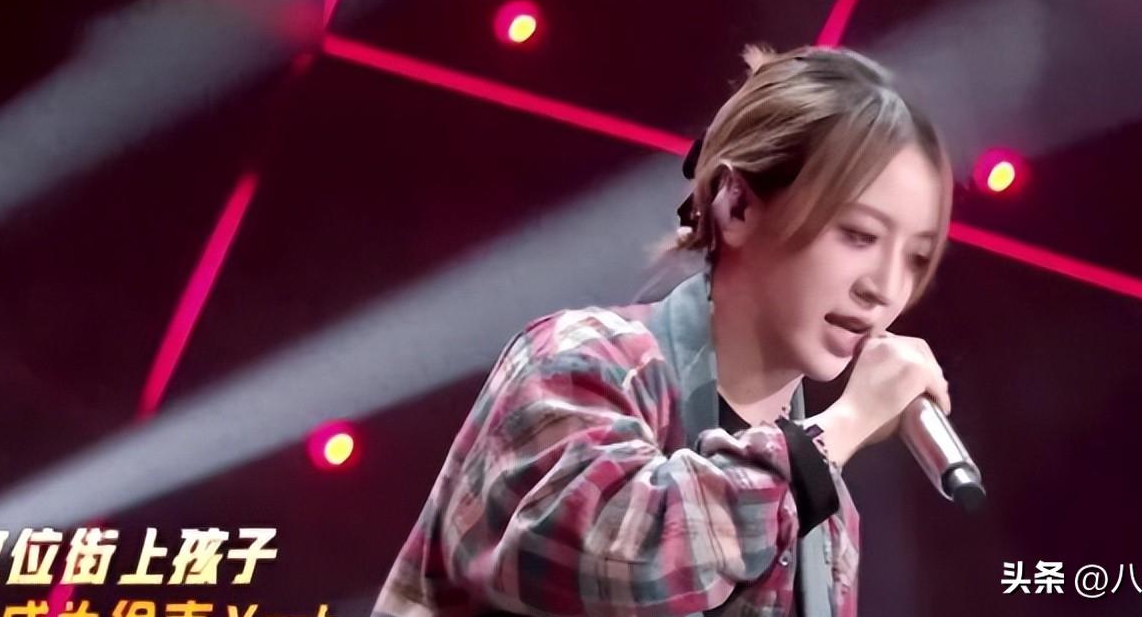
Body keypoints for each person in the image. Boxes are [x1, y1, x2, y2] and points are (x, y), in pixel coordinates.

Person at [373, 44, 956, 617]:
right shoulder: (581, 360)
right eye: (858, 235)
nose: (886, 287)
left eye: (915, 257)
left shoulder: (824, 522)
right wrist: (841, 427)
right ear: (737, 206)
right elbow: (620, 560)